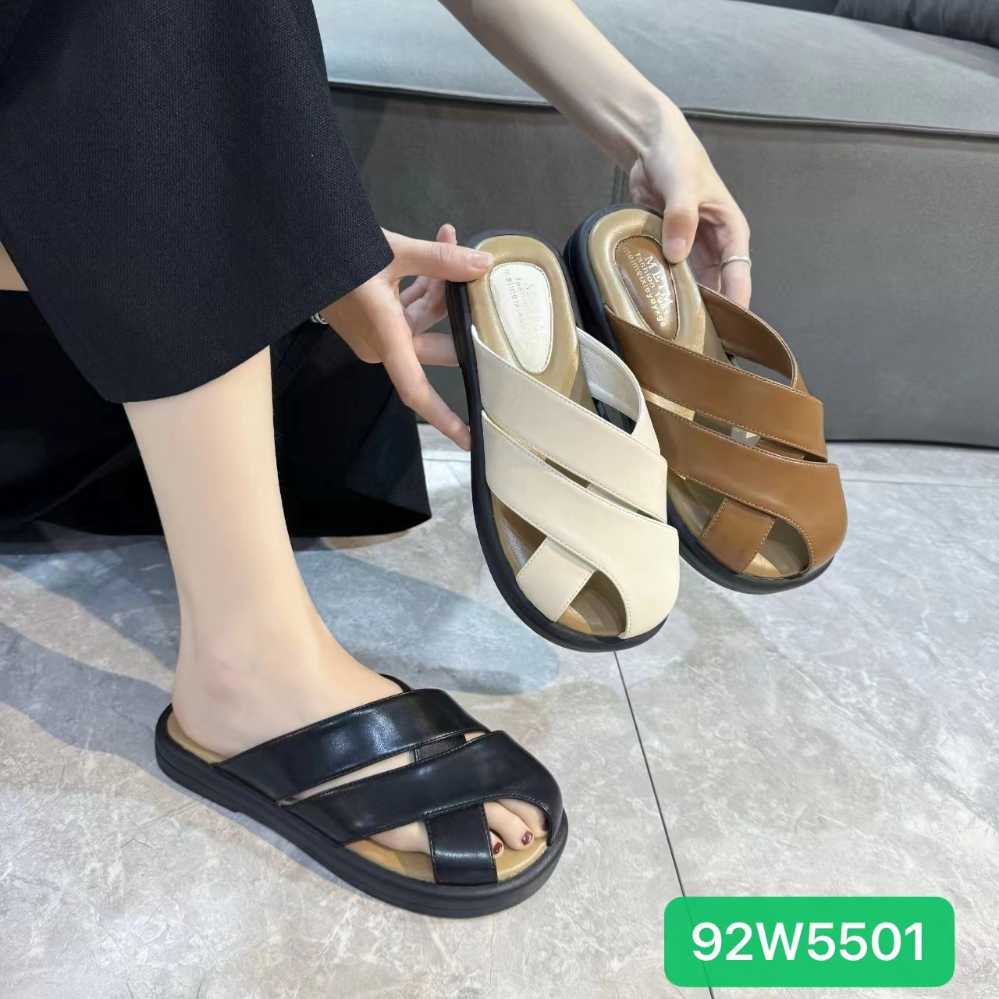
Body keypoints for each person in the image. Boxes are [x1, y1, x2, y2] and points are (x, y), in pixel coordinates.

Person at [0, 1, 750, 898]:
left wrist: (647, 123)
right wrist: (241, 231)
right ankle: (248, 661)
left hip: (196, 383)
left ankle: (266, 317)